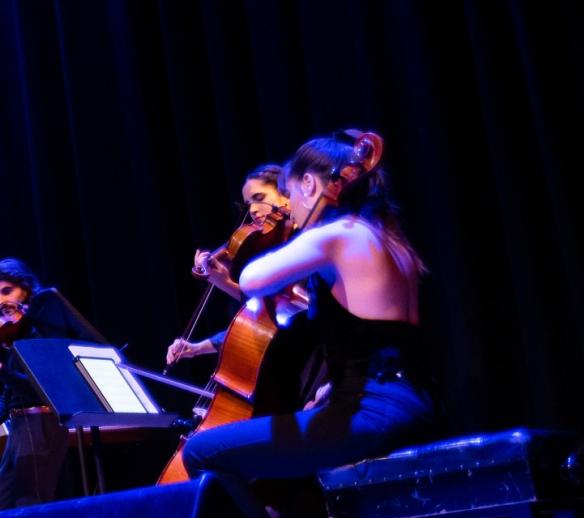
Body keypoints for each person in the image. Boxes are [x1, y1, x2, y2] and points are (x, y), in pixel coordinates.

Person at [182, 129, 433, 480]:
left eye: (289, 193)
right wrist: (333, 389)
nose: (290, 209)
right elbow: (380, 346)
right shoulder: (390, 241)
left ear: (310, 184)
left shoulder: (338, 234)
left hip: (372, 413)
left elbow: (252, 279)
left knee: (201, 451)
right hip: (413, 403)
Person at [0, 258, 108, 511]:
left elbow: (40, 388)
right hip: (20, 426)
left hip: (42, 422)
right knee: (0, 511)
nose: (1, 301)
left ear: (25, 287)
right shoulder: (18, 331)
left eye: (7, 291)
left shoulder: (46, 321)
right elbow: (11, 392)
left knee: (31, 506)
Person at [166, 164, 291, 365]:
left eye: (259, 198)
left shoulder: (302, 242)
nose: (253, 210)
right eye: (248, 204)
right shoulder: (270, 246)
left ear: (286, 192)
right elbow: (261, 326)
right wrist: (199, 347)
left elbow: (283, 311)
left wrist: (224, 282)